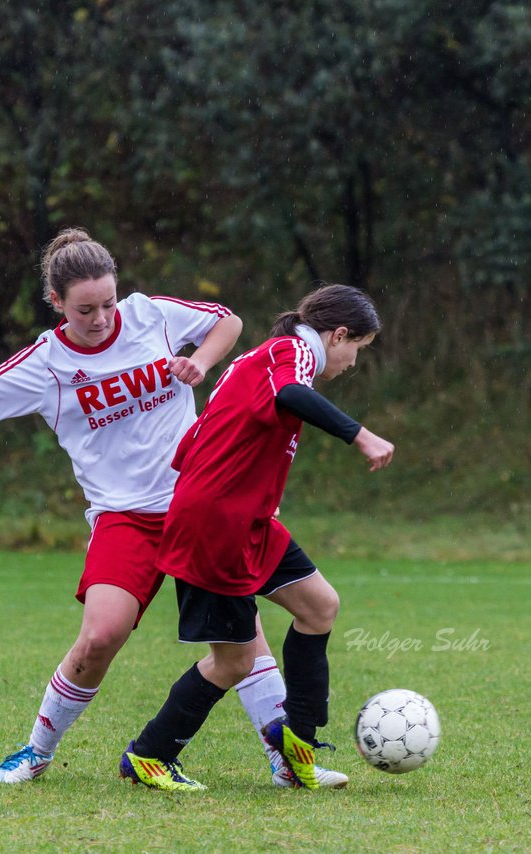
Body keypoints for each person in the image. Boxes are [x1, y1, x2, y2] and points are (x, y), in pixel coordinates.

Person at [0, 228, 303, 786]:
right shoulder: (46, 363)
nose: (101, 317)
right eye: (85, 309)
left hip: (196, 506)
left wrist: (199, 361)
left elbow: (227, 321)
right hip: (124, 519)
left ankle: (285, 761)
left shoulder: (151, 315)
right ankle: (36, 749)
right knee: (101, 635)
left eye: (107, 303)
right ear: (57, 303)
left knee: (241, 635)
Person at [117, 283, 395, 792]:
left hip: (249, 522)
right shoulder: (286, 354)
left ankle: (296, 748)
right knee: (234, 661)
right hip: (217, 526)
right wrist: (361, 434)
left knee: (320, 607)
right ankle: (149, 755)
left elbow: (201, 441)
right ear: (338, 335)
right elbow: (291, 395)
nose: (354, 362)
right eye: (358, 348)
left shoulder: (275, 357)